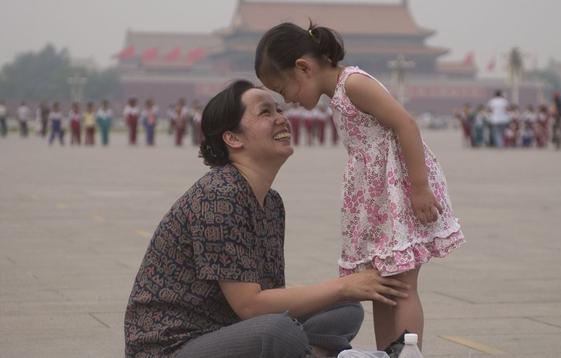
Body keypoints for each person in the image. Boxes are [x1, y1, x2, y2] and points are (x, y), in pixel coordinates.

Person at [124, 80, 409, 358]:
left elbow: (269, 296)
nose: (281, 119)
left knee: (344, 307)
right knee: (280, 332)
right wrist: (345, 284)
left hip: (229, 329)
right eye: (265, 112)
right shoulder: (218, 197)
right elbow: (250, 306)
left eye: (279, 110)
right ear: (232, 138)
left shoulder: (271, 202)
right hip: (174, 345)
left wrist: (345, 291)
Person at [255, 22, 464, 350]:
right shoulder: (338, 93)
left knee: (403, 285)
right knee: (381, 284)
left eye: (284, 90)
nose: (289, 100)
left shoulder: (353, 83)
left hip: (398, 191)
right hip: (374, 196)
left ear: (304, 68)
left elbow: (405, 124)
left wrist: (420, 187)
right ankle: (386, 353)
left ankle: (409, 353)